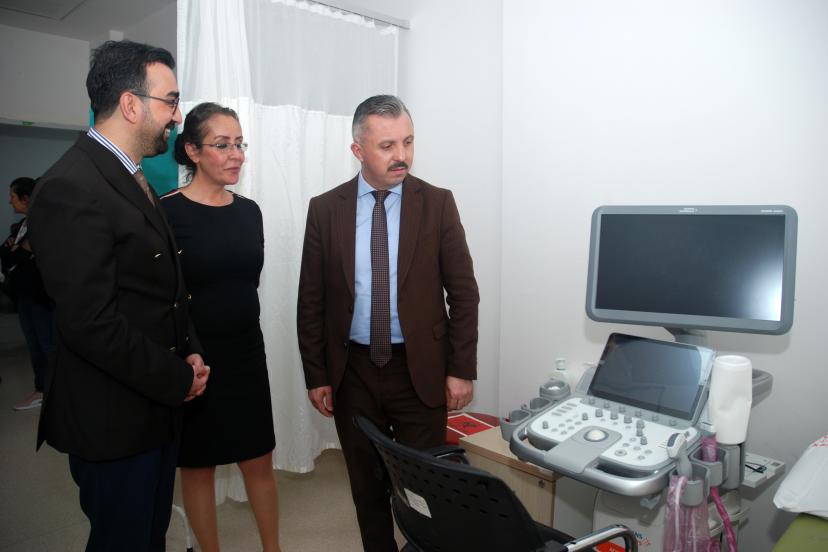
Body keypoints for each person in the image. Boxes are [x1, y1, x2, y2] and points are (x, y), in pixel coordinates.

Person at [26, 40, 210, 552]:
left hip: (152, 405)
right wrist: (176, 378)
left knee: (148, 534)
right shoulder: (71, 186)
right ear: (131, 104)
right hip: (113, 419)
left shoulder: (128, 175)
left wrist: (190, 350)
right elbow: (91, 322)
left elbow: (163, 286)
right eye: (170, 101)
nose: (178, 115)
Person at [296, 94, 480, 551]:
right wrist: (317, 375)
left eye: (408, 142)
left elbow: (463, 293)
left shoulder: (437, 203)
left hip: (419, 369)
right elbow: (311, 300)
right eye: (387, 146)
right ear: (357, 150)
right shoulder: (326, 209)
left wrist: (461, 368)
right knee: (367, 485)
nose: (402, 155)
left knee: (426, 486)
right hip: (353, 371)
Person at [161, 102, 280, 552]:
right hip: (195, 357)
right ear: (192, 150)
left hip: (246, 351)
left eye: (239, 144)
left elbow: (246, 281)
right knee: (197, 466)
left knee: (259, 460)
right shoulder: (166, 212)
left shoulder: (249, 211)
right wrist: (183, 357)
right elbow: (163, 294)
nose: (236, 155)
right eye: (222, 145)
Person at [1, 177, 53, 411]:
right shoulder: (22, 225)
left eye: (12, 196)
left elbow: (20, 256)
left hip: (39, 295)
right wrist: (15, 251)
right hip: (24, 295)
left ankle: (50, 390)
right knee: (34, 344)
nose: (10, 202)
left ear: (26, 198)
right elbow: (8, 255)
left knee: (45, 344)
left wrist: (16, 251)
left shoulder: (43, 223)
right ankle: (42, 389)